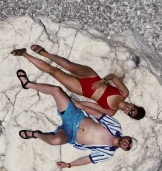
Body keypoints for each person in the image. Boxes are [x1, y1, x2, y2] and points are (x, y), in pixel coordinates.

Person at [15, 69, 136, 169]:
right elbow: (97, 114)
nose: (126, 143)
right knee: (56, 90)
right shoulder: (116, 127)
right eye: (129, 141)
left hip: (70, 134)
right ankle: (28, 84)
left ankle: (36, 134)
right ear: (128, 137)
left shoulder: (108, 153)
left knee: (56, 141)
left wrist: (69, 165)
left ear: (125, 149)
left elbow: (88, 159)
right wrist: (80, 105)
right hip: (75, 115)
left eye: (128, 146)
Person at [11, 45, 145, 120]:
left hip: (81, 89)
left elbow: (89, 106)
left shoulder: (111, 111)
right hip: (92, 78)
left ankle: (24, 54)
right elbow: (113, 77)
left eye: (129, 113)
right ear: (134, 105)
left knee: (53, 71)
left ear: (127, 115)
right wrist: (102, 81)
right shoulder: (124, 93)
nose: (128, 109)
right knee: (68, 65)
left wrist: (75, 103)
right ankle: (45, 53)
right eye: (132, 108)